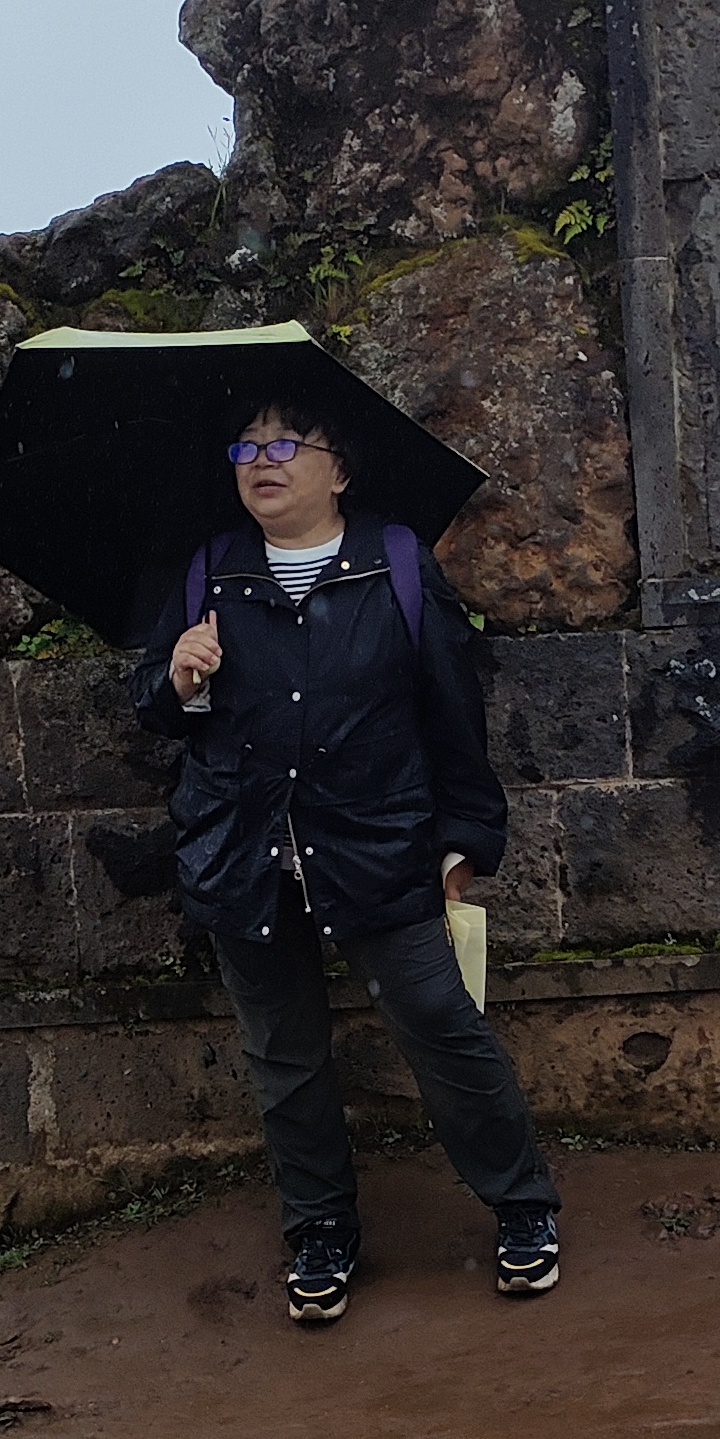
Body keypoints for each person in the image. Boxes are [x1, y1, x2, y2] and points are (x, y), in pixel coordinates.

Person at [140, 407, 562, 1327]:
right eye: (245, 447)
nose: (261, 463)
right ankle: (320, 1231)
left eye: (284, 446)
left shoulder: (397, 565)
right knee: (283, 1059)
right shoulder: (212, 572)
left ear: (338, 471)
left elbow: (455, 713)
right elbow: (156, 709)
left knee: (441, 1029)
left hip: (379, 849)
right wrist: (176, 678)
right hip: (245, 856)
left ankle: (522, 1206)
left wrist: (466, 842)